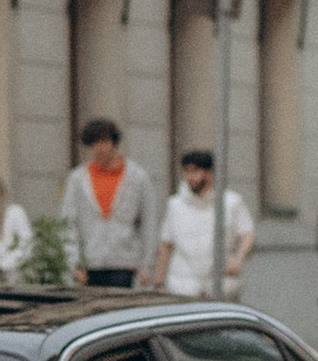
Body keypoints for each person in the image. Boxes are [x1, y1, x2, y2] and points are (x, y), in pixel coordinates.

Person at [60, 119, 156, 290]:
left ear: (114, 143)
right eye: (93, 143)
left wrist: (145, 265)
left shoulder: (137, 177)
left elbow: (148, 222)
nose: (99, 148)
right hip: (90, 263)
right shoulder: (78, 179)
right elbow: (68, 222)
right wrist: (73, 262)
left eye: (104, 141)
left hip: (126, 263)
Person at [148, 148, 254, 300]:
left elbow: (247, 234)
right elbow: (166, 245)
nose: (190, 177)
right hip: (182, 288)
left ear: (210, 173)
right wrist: (158, 283)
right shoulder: (175, 205)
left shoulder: (231, 203)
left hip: (221, 287)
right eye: (187, 171)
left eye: (195, 171)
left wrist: (239, 258)